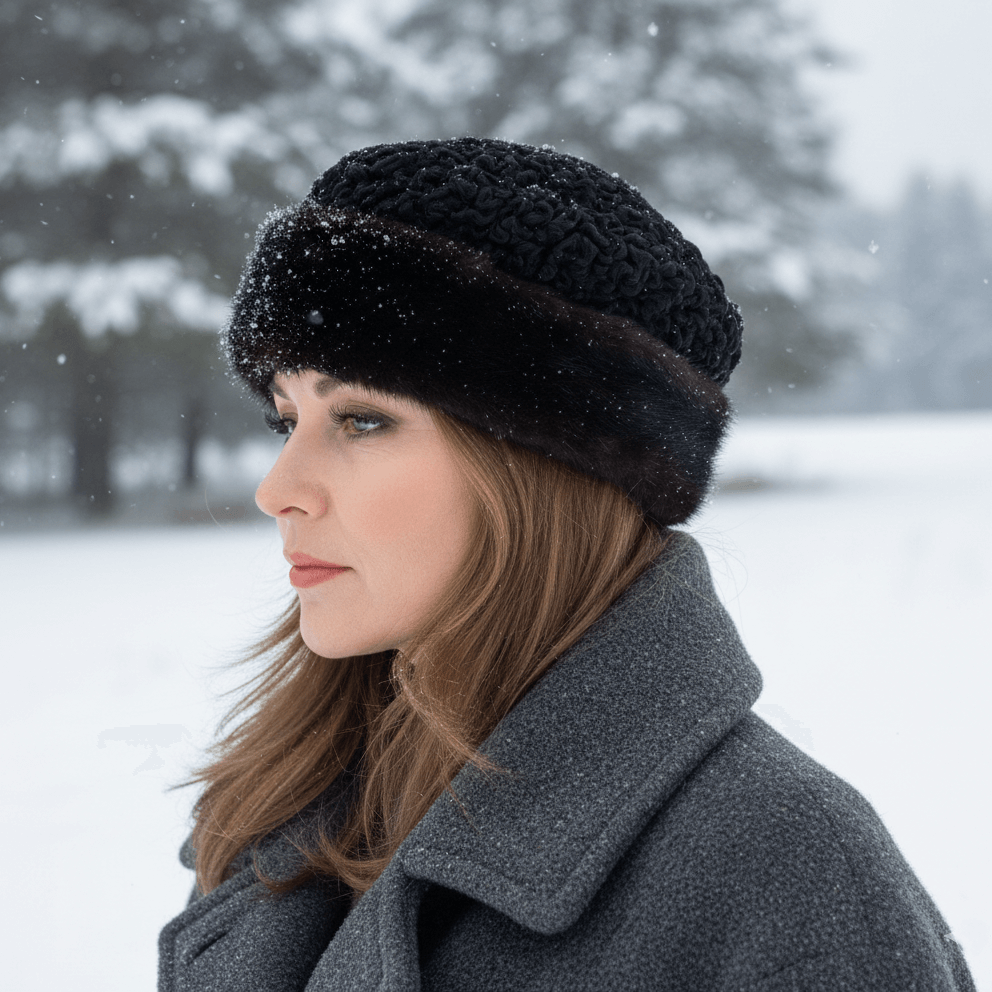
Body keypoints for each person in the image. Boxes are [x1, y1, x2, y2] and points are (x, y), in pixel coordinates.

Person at [158, 138, 976, 992]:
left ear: (541, 470)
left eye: (361, 420)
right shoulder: (290, 807)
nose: (277, 490)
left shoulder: (787, 869)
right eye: (285, 419)